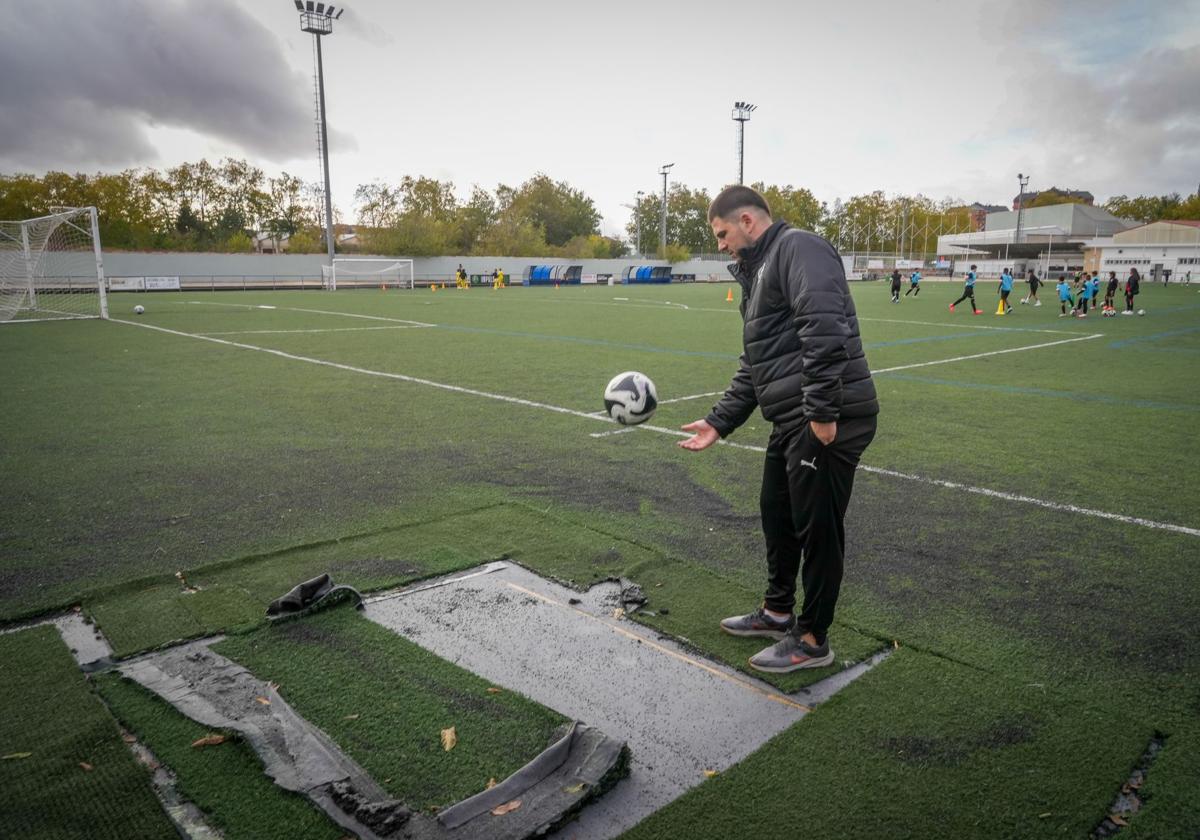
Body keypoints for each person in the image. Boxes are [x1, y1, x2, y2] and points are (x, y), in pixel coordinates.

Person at [679, 186, 878, 673]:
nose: (721, 245)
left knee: (819, 531)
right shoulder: (759, 270)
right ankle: (777, 611)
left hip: (828, 417)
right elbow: (758, 365)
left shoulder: (799, 248)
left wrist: (825, 416)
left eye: (722, 234)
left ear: (747, 221)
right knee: (777, 512)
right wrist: (718, 422)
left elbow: (825, 327)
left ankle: (812, 639)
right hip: (794, 418)